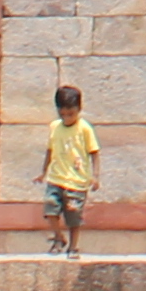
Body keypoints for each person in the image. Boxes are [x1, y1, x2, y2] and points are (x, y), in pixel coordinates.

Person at [39, 85, 98, 256]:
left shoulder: (84, 128)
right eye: (62, 114)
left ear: (78, 110)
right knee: (50, 209)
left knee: (73, 215)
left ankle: (73, 246)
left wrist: (95, 176)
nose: (66, 118)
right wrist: (44, 172)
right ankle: (58, 238)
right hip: (57, 178)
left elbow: (94, 152)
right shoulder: (55, 127)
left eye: (70, 114)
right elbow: (50, 150)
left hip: (76, 181)